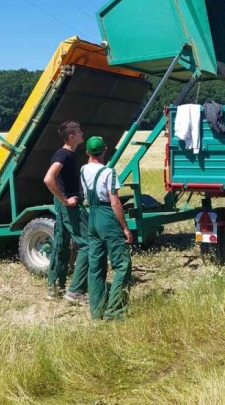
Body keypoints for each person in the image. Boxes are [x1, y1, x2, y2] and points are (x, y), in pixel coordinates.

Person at [82, 136, 134, 321]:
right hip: (106, 216)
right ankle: (115, 311)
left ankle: (96, 311)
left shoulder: (83, 170)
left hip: (92, 216)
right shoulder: (109, 172)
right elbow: (115, 202)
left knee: (95, 267)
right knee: (122, 264)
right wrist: (125, 228)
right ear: (105, 150)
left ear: (87, 152)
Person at [43, 120, 89, 303]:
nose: (82, 134)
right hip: (68, 205)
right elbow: (48, 178)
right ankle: (75, 291)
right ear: (71, 137)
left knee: (61, 245)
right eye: (79, 132)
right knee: (87, 244)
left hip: (63, 204)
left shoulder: (67, 154)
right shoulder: (64, 155)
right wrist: (64, 199)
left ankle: (55, 288)